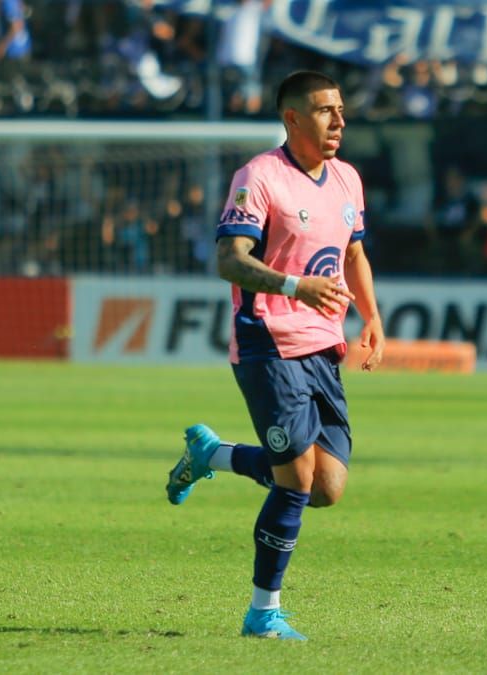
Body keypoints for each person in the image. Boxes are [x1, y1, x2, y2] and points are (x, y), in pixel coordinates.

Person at [164, 71, 385, 641]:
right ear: (292, 118)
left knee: (326, 487)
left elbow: (353, 253)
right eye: (325, 110)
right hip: (268, 343)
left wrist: (372, 315)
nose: (339, 121)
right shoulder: (259, 176)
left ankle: (213, 455)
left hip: (323, 347)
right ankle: (263, 614)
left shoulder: (347, 179)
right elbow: (229, 260)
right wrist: (293, 287)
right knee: (296, 478)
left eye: (341, 109)